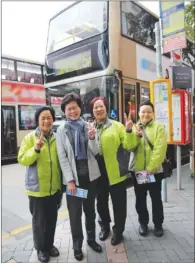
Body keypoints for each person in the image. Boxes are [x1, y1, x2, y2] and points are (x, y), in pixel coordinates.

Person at [56, 93, 102, 261]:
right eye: (69, 109)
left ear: (80, 108)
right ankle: (77, 245)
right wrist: (69, 180)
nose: (73, 111)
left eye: (75, 108)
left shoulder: (87, 125)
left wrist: (92, 138)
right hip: (73, 182)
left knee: (90, 211)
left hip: (90, 178)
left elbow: (95, 151)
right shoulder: (61, 130)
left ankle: (91, 240)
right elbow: (62, 157)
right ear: (65, 111)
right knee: (75, 214)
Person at [89, 97, 139, 246]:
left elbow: (129, 146)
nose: (98, 109)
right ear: (92, 111)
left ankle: (118, 231)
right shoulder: (90, 128)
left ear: (106, 108)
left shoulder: (117, 126)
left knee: (119, 204)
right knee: (101, 203)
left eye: (101, 106)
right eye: (95, 107)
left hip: (115, 171)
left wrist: (129, 130)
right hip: (98, 173)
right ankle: (105, 227)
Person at [18, 106, 62, 263]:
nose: (46, 121)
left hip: (54, 189)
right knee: (38, 223)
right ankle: (41, 249)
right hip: (37, 190)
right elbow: (22, 159)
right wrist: (35, 150)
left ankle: (49, 245)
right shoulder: (30, 138)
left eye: (49, 117)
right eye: (43, 118)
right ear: (38, 120)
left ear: (53, 120)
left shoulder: (57, 138)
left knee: (52, 220)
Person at [130, 100, 167, 237]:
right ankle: (143, 223)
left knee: (156, 198)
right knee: (140, 199)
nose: (146, 114)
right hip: (138, 171)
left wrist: (150, 169)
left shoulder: (159, 127)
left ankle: (158, 224)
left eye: (149, 112)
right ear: (139, 113)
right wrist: (132, 134)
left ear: (153, 114)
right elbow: (129, 147)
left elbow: (160, 150)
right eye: (143, 111)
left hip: (154, 171)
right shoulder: (134, 128)